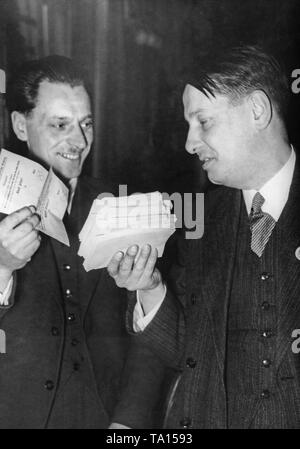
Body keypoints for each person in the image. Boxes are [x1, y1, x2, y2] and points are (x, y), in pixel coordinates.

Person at [108, 45, 300, 428]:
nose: (189, 143)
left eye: (203, 121)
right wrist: (149, 286)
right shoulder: (199, 225)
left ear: (257, 111)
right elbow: (186, 352)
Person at [0, 55, 164, 429]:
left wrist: (127, 424)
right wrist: (2, 267)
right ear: (20, 126)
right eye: (60, 124)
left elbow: (152, 333)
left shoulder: (120, 205)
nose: (79, 141)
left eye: (86, 124)